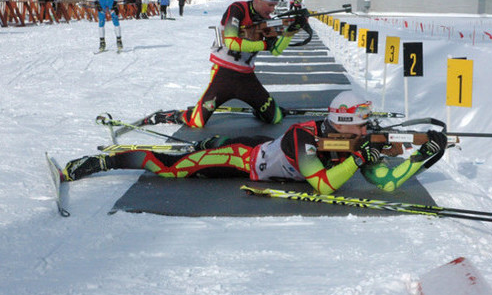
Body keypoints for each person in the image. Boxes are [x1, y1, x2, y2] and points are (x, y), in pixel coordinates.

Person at [60, 91, 447, 195]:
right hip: (242, 159)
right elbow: (322, 185)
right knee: (169, 168)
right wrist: (362, 154)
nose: (367, 131)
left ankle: (203, 144)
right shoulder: (305, 136)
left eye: (367, 126)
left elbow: (386, 181)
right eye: (361, 126)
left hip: (266, 146)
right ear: (343, 124)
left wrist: (424, 157)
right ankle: (104, 163)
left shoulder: (351, 141)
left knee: (203, 149)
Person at [144, 0, 308, 128]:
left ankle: (259, 110)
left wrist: (292, 30)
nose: (273, 9)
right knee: (197, 122)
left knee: (275, 118)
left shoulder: (267, 20)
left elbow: (276, 50)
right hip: (224, 75)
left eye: (275, 6)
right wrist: (263, 44)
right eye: (270, 5)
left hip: (247, 78)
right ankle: (173, 115)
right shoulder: (237, 9)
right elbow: (230, 41)